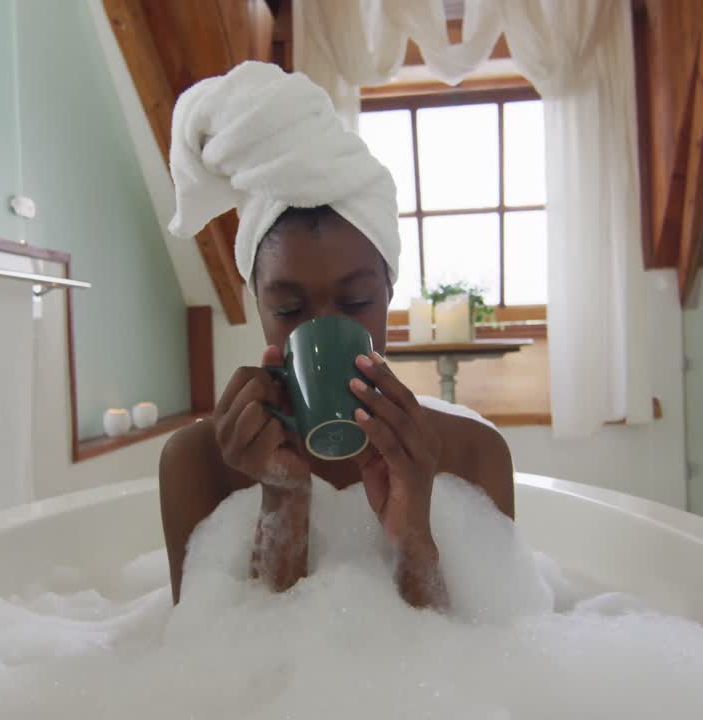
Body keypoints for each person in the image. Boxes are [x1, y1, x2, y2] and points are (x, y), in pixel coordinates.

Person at [158, 61, 514, 610]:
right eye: (288, 307)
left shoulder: (473, 454)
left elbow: (476, 665)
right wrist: (283, 500)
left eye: (355, 302)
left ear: (390, 295)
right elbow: (220, 672)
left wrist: (414, 531)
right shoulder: (197, 463)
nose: (322, 329)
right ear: (257, 305)